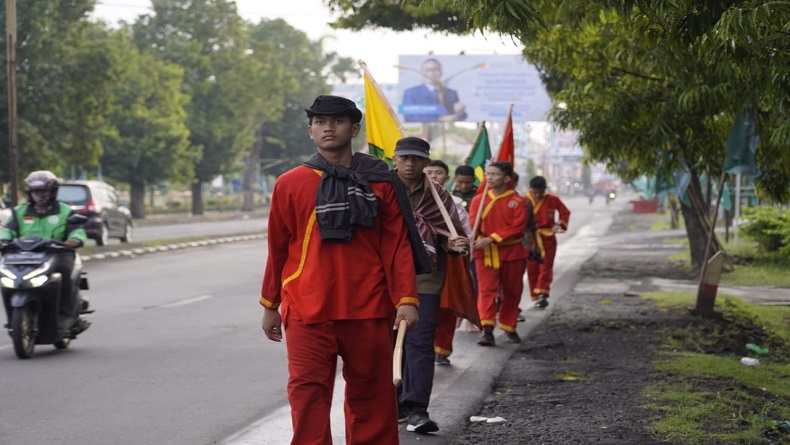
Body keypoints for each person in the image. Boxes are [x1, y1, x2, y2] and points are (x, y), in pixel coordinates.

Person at [259, 95, 424, 445]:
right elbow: (277, 248)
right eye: (320, 122)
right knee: (307, 395)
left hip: (368, 306)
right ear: (310, 131)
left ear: (354, 128)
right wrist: (270, 305)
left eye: (337, 121)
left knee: (373, 396)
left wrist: (406, 299)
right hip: (306, 308)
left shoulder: (381, 182)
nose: (328, 127)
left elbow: (395, 247)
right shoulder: (290, 183)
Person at [393, 137, 469, 434]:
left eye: (416, 158)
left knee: (420, 340)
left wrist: (454, 243)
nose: (410, 164)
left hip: (425, 275)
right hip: (386, 276)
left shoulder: (437, 195)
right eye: (404, 158)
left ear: (426, 162)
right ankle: (394, 400)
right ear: (394, 159)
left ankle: (417, 409)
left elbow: (452, 233)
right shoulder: (381, 189)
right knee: (387, 341)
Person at [0, 170, 88, 328]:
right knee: (6, 280)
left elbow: (77, 230)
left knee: (64, 273)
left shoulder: (65, 211)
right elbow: (8, 230)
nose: (40, 195)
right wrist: (3, 240)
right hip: (23, 256)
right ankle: (13, 317)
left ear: (53, 192)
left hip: (57, 254)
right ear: (30, 193)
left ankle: (67, 313)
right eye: (36, 191)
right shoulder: (19, 212)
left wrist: (74, 240)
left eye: (44, 191)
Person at [468, 162, 529, 346]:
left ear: (507, 178)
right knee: (486, 291)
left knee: (512, 291)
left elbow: (518, 228)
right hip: (485, 253)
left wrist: (493, 238)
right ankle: (487, 330)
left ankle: (509, 327)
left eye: (495, 174)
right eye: (488, 174)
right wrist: (476, 236)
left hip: (512, 252)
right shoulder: (478, 201)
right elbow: (472, 224)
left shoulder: (518, 201)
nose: (490, 177)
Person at [424, 160, 472, 366]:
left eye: (438, 172)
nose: (434, 176)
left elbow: (467, 236)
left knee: (445, 307)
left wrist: (458, 245)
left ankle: (442, 348)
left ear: (447, 177)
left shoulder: (455, 204)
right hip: (418, 264)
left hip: (447, 263)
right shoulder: (408, 200)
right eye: (429, 172)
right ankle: (423, 346)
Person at [525, 175, 571, 309]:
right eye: (535, 192)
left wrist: (560, 225)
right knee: (532, 267)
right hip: (530, 238)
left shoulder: (553, 199)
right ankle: (536, 293)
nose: (538, 195)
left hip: (548, 237)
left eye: (540, 192)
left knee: (546, 266)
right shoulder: (523, 200)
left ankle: (542, 294)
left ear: (545, 189)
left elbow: (565, 213)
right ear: (530, 189)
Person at [402, 58, 467, 123]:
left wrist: (460, 112)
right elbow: (409, 117)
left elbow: (461, 117)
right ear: (421, 73)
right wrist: (440, 119)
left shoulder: (452, 93)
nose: (431, 73)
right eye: (427, 70)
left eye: (435, 69)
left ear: (441, 72)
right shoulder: (410, 93)